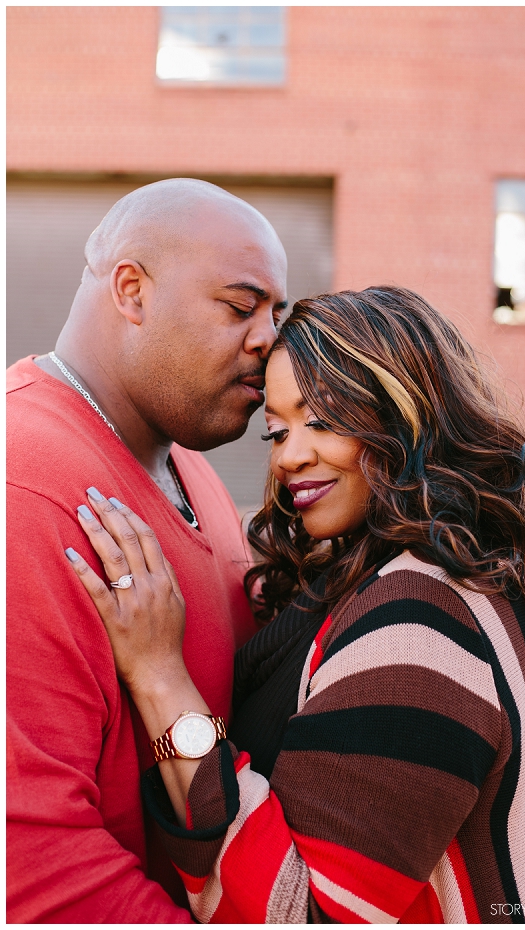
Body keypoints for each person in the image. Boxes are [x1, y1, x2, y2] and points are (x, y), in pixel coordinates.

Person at [66, 287, 525, 923]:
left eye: (323, 420)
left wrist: (159, 677)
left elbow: (310, 916)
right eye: (276, 430)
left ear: (406, 416)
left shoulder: (420, 615)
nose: (290, 456)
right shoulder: (451, 573)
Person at [6, 178, 288, 922]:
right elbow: (30, 865)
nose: (268, 339)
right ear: (131, 291)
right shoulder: (24, 485)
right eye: (240, 306)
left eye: (275, 314)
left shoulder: (190, 464)